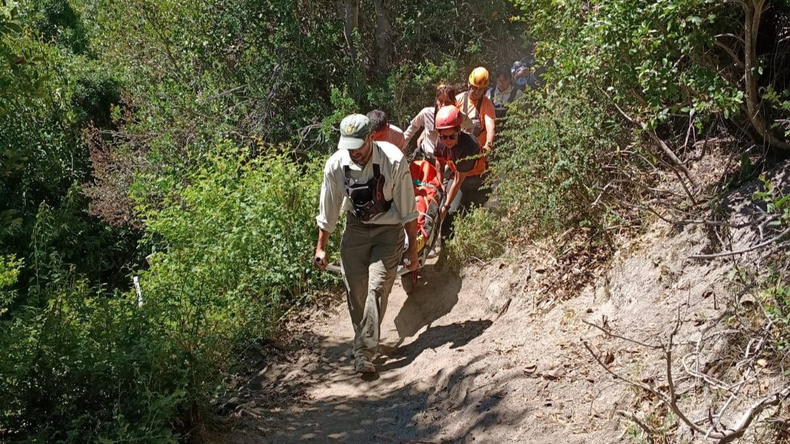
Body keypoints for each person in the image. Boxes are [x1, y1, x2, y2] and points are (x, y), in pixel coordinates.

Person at [314, 113, 419, 374]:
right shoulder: (336, 165)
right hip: (356, 229)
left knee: (376, 287)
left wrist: (413, 251)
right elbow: (329, 209)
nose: (353, 152)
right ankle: (365, 338)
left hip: (388, 230)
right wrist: (321, 246)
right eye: (347, 146)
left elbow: (408, 209)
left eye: (357, 146)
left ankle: (363, 351)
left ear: (371, 138)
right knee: (355, 289)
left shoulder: (394, 160)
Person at [433, 105, 487, 236]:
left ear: (459, 131)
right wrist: (440, 182)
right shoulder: (440, 143)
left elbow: (458, 181)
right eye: (443, 137)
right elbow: (439, 162)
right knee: (450, 214)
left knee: (470, 217)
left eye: (451, 137)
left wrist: (445, 206)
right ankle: (446, 251)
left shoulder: (468, 146)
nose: (447, 141)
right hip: (457, 176)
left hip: (478, 180)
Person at [402, 83, 457, 160]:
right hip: (425, 158)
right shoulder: (427, 113)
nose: (443, 105)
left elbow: (470, 127)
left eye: (447, 102)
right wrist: (400, 146)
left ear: (453, 102)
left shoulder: (458, 117)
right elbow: (413, 126)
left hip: (447, 162)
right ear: (436, 100)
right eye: (440, 101)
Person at [456, 66, 496, 154]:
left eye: (481, 89)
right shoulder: (458, 100)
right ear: (469, 84)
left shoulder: (487, 104)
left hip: (477, 151)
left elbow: (491, 127)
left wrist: (488, 145)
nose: (477, 92)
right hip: (458, 149)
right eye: (474, 88)